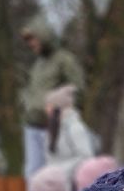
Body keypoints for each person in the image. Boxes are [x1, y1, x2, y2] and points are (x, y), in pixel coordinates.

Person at [18, 17, 86, 178]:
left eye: (33, 39)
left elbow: (78, 90)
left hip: (55, 126)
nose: (31, 44)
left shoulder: (64, 60)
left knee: (56, 172)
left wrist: (63, 114)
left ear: (43, 36)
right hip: (32, 124)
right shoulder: (38, 64)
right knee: (32, 172)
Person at [41, 86, 98, 187]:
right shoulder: (55, 128)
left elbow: (86, 157)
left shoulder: (75, 128)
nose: (46, 109)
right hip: (57, 184)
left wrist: (60, 171)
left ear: (58, 108)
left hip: (73, 185)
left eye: (49, 105)